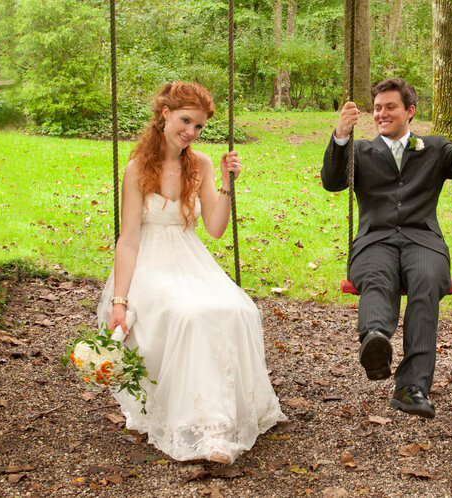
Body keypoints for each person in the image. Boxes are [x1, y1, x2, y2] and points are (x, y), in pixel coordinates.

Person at [97, 82, 285, 464]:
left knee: (239, 310)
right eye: (186, 121)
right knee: (190, 316)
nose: (191, 132)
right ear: (164, 114)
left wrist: (229, 185)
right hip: (150, 263)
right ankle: (208, 430)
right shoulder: (136, 169)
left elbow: (215, 227)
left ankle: (226, 418)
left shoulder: (199, 164)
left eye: (198, 126)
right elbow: (128, 240)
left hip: (190, 259)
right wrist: (120, 299)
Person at [321, 78, 452, 419]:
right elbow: (332, 181)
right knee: (376, 275)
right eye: (378, 108)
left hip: (422, 239)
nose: (382, 113)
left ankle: (411, 388)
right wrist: (340, 135)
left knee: (427, 282)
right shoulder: (360, 151)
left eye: (390, 107)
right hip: (376, 239)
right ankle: (376, 341)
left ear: (410, 111)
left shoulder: (436, 149)